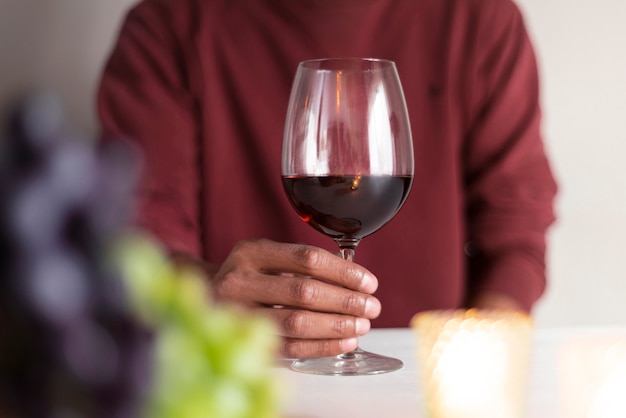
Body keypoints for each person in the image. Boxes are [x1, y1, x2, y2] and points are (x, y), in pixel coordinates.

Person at [97, 0, 557, 359]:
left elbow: (514, 235)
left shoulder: (480, 21)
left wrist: (469, 370)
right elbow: (143, 243)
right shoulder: (167, 28)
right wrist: (204, 298)